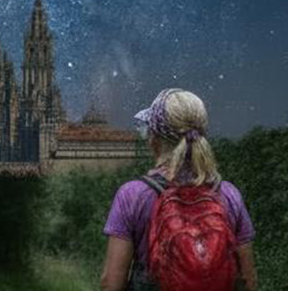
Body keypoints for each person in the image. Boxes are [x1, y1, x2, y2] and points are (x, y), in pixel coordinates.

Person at [99, 89, 258, 291]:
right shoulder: (228, 194)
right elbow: (248, 279)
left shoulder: (132, 195)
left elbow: (111, 283)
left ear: (153, 138)